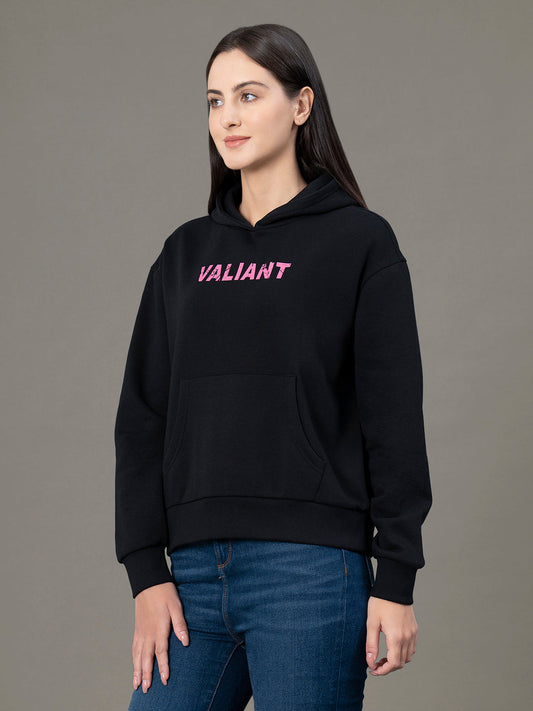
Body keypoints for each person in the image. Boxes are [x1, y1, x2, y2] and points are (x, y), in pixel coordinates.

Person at [114, 23, 433, 711]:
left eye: (249, 95)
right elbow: (141, 419)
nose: (227, 116)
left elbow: (392, 417)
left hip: (310, 571)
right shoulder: (183, 254)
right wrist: (146, 573)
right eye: (214, 100)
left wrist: (396, 577)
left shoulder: (360, 242)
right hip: (189, 576)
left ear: (300, 105)